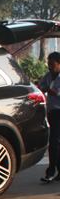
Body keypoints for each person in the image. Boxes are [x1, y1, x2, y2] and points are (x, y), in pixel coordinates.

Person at [39, 51, 60, 183]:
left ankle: (51, 171)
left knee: (54, 143)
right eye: (48, 64)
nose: (49, 67)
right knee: (55, 143)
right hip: (52, 112)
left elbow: (55, 92)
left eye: (52, 64)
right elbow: (40, 87)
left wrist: (48, 90)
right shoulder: (48, 76)